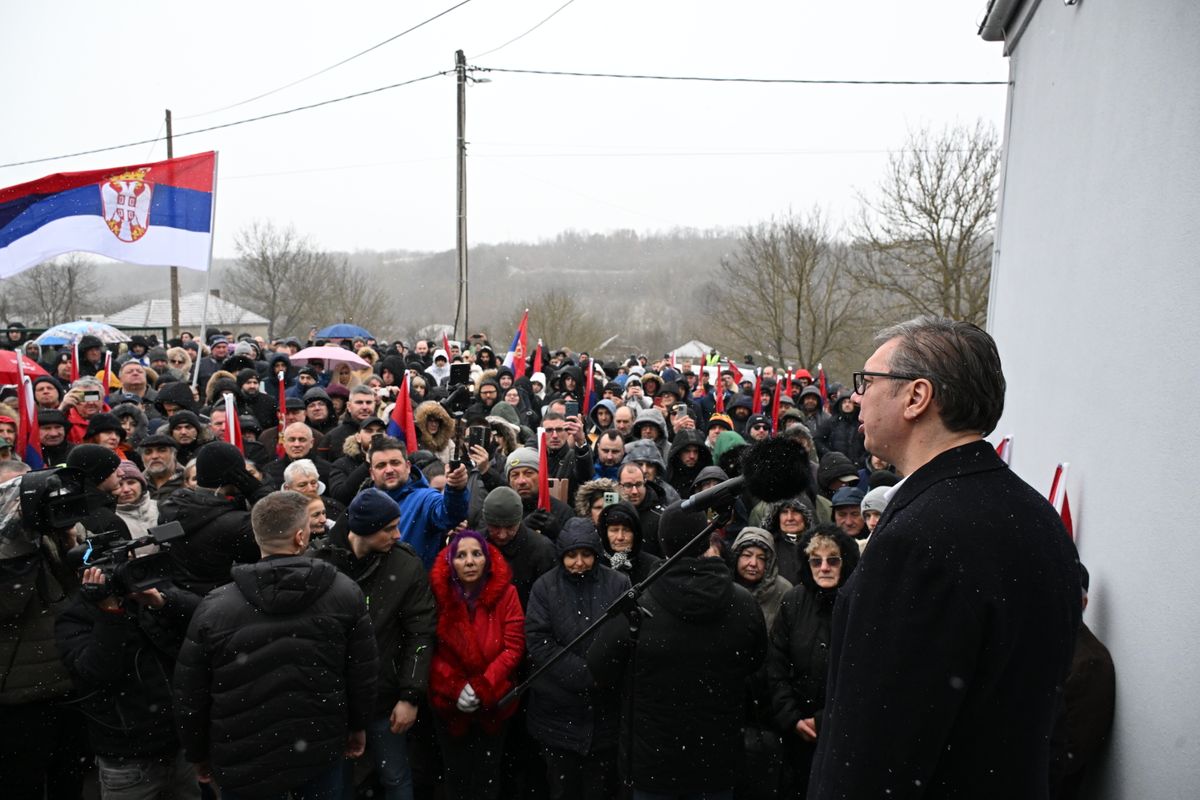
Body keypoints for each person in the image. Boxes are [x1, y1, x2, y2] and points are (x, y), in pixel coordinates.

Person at [808, 317, 1082, 800]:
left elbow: (875, 749)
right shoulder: (1035, 515)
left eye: (868, 382)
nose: (856, 398)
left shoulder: (916, 540)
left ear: (916, 397)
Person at [173, 490, 378, 799]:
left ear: (258, 538)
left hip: (244, 759)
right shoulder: (344, 592)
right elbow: (362, 673)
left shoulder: (215, 607)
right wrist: (359, 726)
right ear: (300, 537)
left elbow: (190, 692)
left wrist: (197, 753)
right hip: (318, 749)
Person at [587, 501, 768, 798]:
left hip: (654, 763)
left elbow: (598, 664)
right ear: (706, 538)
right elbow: (754, 659)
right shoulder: (743, 603)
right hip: (716, 760)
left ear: (662, 541)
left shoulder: (640, 604)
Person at [312, 489, 437, 800]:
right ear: (363, 528)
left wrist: (411, 694)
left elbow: (420, 632)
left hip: (384, 696)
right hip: (332, 701)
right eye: (388, 528)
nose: (398, 534)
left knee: (396, 779)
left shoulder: (404, 564)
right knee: (335, 786)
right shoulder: (317, 563)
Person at [55, 553, 201, 800]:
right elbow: (97, 672)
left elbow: (204, 618)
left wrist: (162, 601)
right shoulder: (73, 618)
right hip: (128, 758)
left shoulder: (143, 597)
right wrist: (109, 613)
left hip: (179, 745)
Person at [524, 521, 631, 800]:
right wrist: (583, 674)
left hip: (604, 716)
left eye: (586, 554)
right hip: (557, 716)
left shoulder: (617, 583)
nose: (579, 562)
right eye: (572, 555)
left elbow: (627, 635)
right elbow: (539, 640)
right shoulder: (545, 587)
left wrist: (602, 673)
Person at [428, 529, 525, 800]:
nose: (469, 561)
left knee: (487, 774)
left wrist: (483, 685)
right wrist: (455, 686)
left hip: (494, 699)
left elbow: (513, 647)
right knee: (456, 774)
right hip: (449, 703)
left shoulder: (507, 594)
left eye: (476, 554)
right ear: (450, 563)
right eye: (460, 555)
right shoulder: (438, 596)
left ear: (487, 559)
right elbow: (431, 650)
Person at [766, 524, 860, 797]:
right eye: (816, 560)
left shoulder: (858, 602)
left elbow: (860, 674)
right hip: (797, 733)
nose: (824, 567)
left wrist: (824, 719)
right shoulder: (793, 601)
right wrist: (792, 717)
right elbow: (776, 664)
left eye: (833, 560)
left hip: (843, 733)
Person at [363, 436, 470, 569]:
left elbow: (450, 515)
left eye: (395, 463)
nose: (389, 470)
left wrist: (456, 489)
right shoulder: (362, 504)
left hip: (413, 586)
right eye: (381, 465)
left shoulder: (425, 499)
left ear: (408, 467)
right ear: (372, 473)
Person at [596, 500, 661, 585]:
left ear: (636, 533)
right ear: (605, 533)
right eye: (614, 530)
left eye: (627, 530)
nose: (620, 537)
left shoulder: (652, 566)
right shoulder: (595, 565)